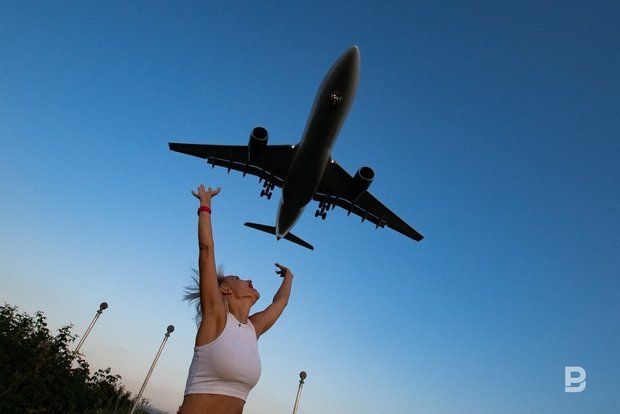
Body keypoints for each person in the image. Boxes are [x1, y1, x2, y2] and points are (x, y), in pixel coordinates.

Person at [179, 184, 294, 414]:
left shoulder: (253, 329)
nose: (248, 279)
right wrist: (205, 206)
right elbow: (206, 250)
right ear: (225, 290)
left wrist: (289, 276)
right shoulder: (216, 318)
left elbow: (280, 303)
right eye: (237, 278)